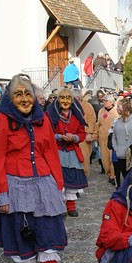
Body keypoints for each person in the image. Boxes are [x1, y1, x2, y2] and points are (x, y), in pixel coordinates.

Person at [0, 75, 71, 263]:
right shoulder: (1, 121)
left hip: (43, 184)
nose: (24, 99)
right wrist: (1, 193)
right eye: (19, 94)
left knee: (49, 237)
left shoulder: (42, 118)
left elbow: (50, 152)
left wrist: (58, 185)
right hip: (15, 187)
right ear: (10, 98)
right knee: (23, 237)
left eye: (28, 94)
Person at [45, 89, 88, 217]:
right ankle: (61, 206)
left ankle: (71, 206)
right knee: (59, 180)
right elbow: (46, 133)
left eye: (67, 98)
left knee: (72, 179)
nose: (65, 101)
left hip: (72, 152)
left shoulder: (76, 115)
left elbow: (82, 133)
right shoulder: (51, 115)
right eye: (62, 98)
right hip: (57, 151)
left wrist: (74, 137)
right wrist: (58, 137)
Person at [109, 98, 132, 187]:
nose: (117, 109)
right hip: (120, 156)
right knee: (125, 179)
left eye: (119, 107)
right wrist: (117, 149)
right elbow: (114, 137)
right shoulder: (117, 122)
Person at [96, 94, 118, 182]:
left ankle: (113, 176)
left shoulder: (116, 111)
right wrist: (96, 135)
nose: (104, 102)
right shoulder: (101, 111)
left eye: (106, 101)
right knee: (104, 159)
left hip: (113, 139)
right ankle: (108, 174)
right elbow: (98, 124)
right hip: (103, 139)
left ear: (111, 102)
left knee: (111, 158)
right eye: (103, 101)